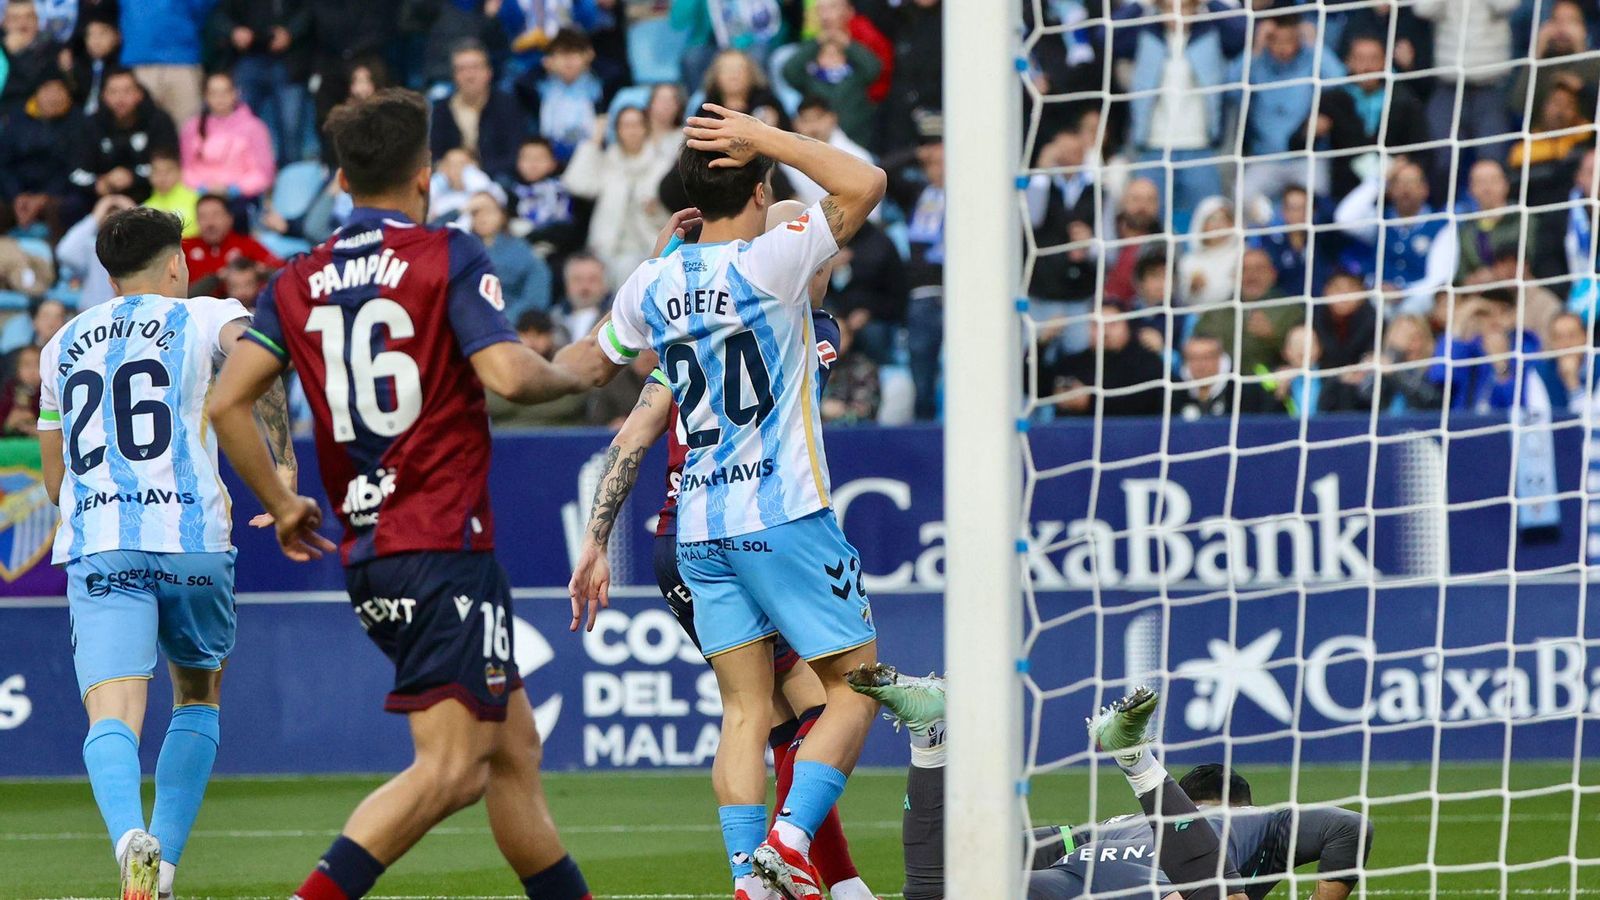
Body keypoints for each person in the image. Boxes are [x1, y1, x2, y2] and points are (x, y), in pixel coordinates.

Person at [206, 89, 596, 900]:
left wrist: (282, 503)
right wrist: (579, 369)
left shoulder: (295, 279)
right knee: (452, 769)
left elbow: (225, 402)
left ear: (341, 180)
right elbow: (508, 375)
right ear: (425, 173)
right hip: (442, 542)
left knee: (512, 751)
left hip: (373, 546)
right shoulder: (445, 253)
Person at [557, 102, 887, 899]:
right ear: (763, 184)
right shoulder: (771, 263)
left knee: (745, 714)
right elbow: (866, 181)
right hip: (782, 513)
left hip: (697, 523)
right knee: (856, 686)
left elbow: (591, 363)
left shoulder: (654, 278)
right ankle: (792, 842)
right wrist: (763, 136)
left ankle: (749, 879)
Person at [36, 206, 295, 900]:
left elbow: (55, 475)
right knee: (198, 695)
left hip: (102, 543)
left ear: (109, 272)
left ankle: (130, 842)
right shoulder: (209, 315)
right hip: (192, 543)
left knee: (114, 711)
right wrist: (284, 473)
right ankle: (167, 868)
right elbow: (261, 358)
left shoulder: (59, 343)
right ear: (176, 262)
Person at [852, 669, 1372, 900]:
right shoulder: (1249, 821)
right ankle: (1134, 757)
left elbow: (1013, 851)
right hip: (1160, 886)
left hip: (1071, 876)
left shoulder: (1106, 826)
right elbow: (1353, 828)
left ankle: (931, 742)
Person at [563, 106, 674, 284]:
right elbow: (576, 184)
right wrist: (594, 142)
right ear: (617, 130)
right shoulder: (607, 161)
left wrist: (656, 210)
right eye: (626, 125)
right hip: (604, 248)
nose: (632, 131)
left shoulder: (662, 165)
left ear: (646, 128)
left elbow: (674, 214)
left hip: (649, 247)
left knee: (626, 268)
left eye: (637, 125)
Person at [1333, 159, 1455, 318]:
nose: (1405, 189)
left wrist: (1403, 292)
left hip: (1418, 304)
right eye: (1398, 182)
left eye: (1411, 182)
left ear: (1425, 189)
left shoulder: (1441, 224)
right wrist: (1379, 179)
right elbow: (1344, 218)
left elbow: (1440, 277)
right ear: (1390, 189)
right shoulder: (1380, 220)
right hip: (1376, 302)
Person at [69, 68, 179, 217]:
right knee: (71, 205)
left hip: (147, 192)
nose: (120, 98)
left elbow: (169, 163)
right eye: (113, 92)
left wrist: (133, 177)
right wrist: (98, 183)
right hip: (98, 197)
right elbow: (76, 171)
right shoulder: (90, 124)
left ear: (139, 94)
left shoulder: (158, 121)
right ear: (104, 95)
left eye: (127, 91)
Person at [212, 0, 312, 164]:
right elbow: (219, 14)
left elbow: (311, 9)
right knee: (239, 124)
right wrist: (234, 31)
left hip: (289, 61)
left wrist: (291, 33)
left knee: (291, 129)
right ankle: (242, 176)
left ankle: (290, 182)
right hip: (247, 58)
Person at [430, 40, 526, 184]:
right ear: (454, 75)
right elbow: (435, 155)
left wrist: (476, 170)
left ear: (488, 72)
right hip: (449, 181)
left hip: (496, 180)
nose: (469, 76)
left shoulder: (507, 105)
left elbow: (515, 155)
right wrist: (448, 169)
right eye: (461, 69)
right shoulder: (442, 108)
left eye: (475, 67)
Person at [781, 14, 884, 149]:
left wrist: (847, 44)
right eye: (825, 54)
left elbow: (874, 67)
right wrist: (817, 42)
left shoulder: (856, 76)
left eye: (836, 53)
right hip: (821, 144)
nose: (831, 58)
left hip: (859, 143)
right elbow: (789, 71)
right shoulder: (810, 79)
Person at [179, 71, 276, 208]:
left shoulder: (255, 128)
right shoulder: (191, 127)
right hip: (198, 196)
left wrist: (234, 189)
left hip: (241, 197)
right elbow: (186, 169)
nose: (220, 98)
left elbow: (264, 173)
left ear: (236, 93)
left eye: (225, 92)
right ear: (205, 96)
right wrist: (203, 188)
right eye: (214, 93)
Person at [463, 191, 552, 323]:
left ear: (502, 214)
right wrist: (459, 211)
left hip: (508, 326)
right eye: (475, 212)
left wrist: (503, 320)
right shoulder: (461, 248)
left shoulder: (520, 250)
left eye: (488, 210)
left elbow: (536, 297)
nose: (482, 217)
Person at [519, 28, 605, 164]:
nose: (568, 61)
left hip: (588, 155)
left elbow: (617, 74)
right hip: (550, 155)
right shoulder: (543, 86)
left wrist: (592, 63)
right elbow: (520, 84)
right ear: (551, 60)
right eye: (562, 54)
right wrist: (542, 67)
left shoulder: (598, 84)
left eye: (574, 53)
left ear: (586, 56)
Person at [181, 194, 282, 290]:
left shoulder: (247, 245)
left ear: (229, 218)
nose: (210, 223)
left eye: (216, 215)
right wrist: (216, 278)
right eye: (203, 217)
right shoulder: (184, 248)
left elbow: (281, 271)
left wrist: (261, 271)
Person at [1172, 334, 1283, 418]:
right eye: (1193, 358)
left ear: (1220, 358)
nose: (1200, 364)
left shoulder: (1246, 390)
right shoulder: (1173, 392)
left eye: (1207, 357)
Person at [143, 150, 200, 238]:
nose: (162, 177)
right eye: (157, 171)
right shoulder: (145, 207)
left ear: (179, 172)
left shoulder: (196, 199)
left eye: (168, 171)